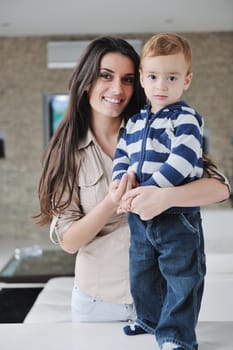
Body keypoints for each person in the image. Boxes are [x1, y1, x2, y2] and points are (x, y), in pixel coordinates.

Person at [36, 35, 230, 325]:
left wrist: (164, 197)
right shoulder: (67, 153)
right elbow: (69, 240)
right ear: (86, 81)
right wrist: (112, 202)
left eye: (127, 79)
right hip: (98, 303)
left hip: (161, 301)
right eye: (106, 76)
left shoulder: (163, 127)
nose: (117, 89)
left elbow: (220, 187)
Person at [111, 32, 223, 350]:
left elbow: (184, 159)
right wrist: (122, 182)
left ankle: (176, 334)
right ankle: (148, 318)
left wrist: (150, 190)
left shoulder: (187, 119)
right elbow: (123, 156)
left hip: (177, 217)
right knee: (141, 272)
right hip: (140, 217)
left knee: (182, 277)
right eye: (154, 77)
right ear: (143, 80)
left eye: (171, 77)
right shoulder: (133, 123)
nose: (162, 85)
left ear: (186, 81)